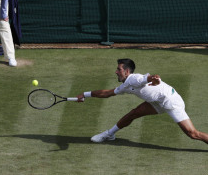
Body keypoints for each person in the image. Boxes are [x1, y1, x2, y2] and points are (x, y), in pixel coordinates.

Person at [77, 58, 208, 144]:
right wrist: (85, 94)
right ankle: (109, 134)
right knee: (134, 113)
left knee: (193, 134)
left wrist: (154, 79)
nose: (116, 72)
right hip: (157, 101)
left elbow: (149, 78)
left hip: (171, 102)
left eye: (119, 69)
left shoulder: (135, 79)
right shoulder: (125, 85)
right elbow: (107, 93)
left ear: (127, 71)